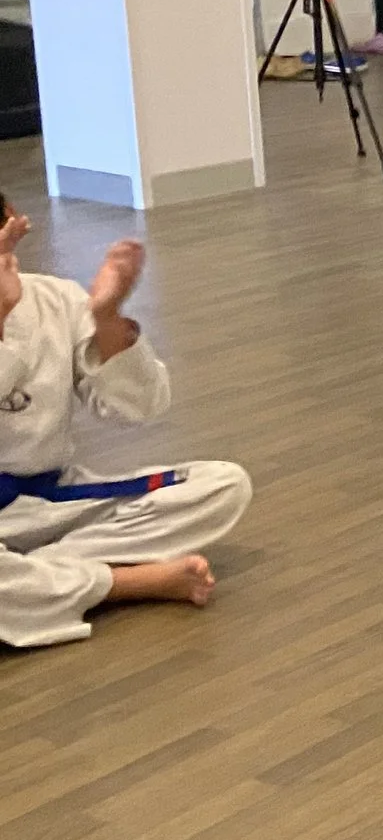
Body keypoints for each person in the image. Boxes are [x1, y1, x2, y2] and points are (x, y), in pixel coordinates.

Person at [0, 204, 249, 648]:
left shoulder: (55, 299)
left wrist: (108, 318)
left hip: (52, 501)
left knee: (223, 486)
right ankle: (133, 583)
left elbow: (142, 407)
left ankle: (36, 576)